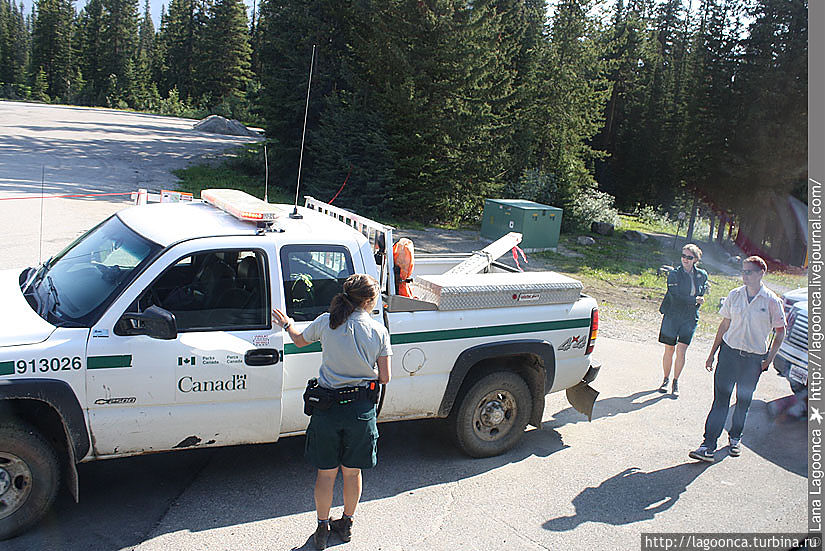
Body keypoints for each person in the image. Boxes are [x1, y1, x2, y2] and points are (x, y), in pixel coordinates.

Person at [272, 274, 392, 550]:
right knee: (352, 473)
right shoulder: (378, 331)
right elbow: (384, 377)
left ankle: (322, 527)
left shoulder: (327, 322)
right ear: (369, 301)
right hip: (360, 411)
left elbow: (299, 341)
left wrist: (288, 323)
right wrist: (363, 372)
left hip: (326, 410)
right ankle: (347, 523)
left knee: (326, 474)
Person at [689, 256, 785, 463]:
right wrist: (712, 352)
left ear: (761, 274)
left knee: (743, 401)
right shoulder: (734, 295)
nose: (745, 275)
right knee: (721, 400)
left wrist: (769, 358)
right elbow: (724, 325)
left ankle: (735, 437)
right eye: (743, 271)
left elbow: (780, 332)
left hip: (753, 361)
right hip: (729, 354)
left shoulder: (771, 301)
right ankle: (708, 446)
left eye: (749, 272)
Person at [657, 244, 708, 397]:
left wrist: (697, 301)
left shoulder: (702, 275)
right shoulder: (674, 274)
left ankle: (675, 381)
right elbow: (675, 295)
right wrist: (694, 300)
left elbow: (702, 292)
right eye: (683, 256)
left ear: (696, 259)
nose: (685, 259)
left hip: (690, 317)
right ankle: (665, 379)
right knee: (670, 349)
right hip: (672, 316)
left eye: (689, 257)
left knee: (682, 350)